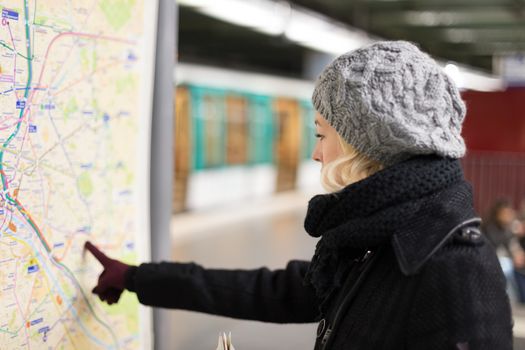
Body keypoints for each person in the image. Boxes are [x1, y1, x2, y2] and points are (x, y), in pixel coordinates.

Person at [85, 41, 512, 349]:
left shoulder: (456, 271)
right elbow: (275, 291)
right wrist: (138, 278)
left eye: (322, 134)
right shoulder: (378, 238)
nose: (314, 152)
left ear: (368, 145)